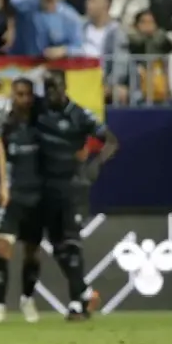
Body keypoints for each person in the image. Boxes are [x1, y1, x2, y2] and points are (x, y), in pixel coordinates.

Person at [37, 70, 118, 320]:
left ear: (65, 87)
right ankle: (84, 293)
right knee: (57, 245)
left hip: (72, 185)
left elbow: (111, 141)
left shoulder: (79, 115)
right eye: (48, 87)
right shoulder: (39, 112)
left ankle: (76, 303)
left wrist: (95, 164)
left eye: (56, 87)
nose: (51, 92)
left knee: (71, 243)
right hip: (46, 186)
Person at [0, 78, 43, 324]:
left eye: (27, 94)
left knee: (32, 252)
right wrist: (0, 185)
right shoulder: (5, 126)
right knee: (2, 248)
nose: (23, 99)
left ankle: (27, 300)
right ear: (13, 96)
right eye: (18, 94)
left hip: (37, 196)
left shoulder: (41, 123)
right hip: (11, 195)